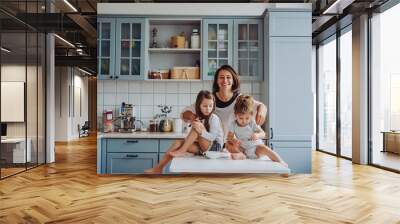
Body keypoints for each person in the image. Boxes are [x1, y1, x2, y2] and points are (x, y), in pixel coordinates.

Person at [181, 65, 268, 151]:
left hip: (237, 147)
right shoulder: (210, 99)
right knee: (179, 144)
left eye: (228, 77)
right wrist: (193, 116)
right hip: (213, 145)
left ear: (233, 80)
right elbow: (184, 113)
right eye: (221, 77)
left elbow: (261, 106)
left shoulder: (240, 99)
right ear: (217, 81)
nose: (225, 80)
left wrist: (262, 112)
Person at [145, 90, 223, 174]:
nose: (208, 109)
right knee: (177, 143)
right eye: (204, 106)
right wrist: (195, 135)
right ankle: (158, 168)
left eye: (210, 106)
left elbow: (213, 137)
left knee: (196, 126)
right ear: (198, 105)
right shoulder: (199, 116)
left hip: (215, 148)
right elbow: (183, 114)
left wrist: (201, 132)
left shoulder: (214, 118)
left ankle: (182, 150)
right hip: (203, 148)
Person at [227, 95, 287, 167]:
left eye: (247, 118)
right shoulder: (233, 124)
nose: (244, 121)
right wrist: (234, 140)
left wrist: (257, 135)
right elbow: (229, 137)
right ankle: (242, 155)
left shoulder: (252, 123)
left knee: (266, 149)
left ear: (251, 115)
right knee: (228, 145)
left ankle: (280, 161)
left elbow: (263, 134)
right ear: (236, 115)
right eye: (241, 118)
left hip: (256, 148)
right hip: (244, 148)